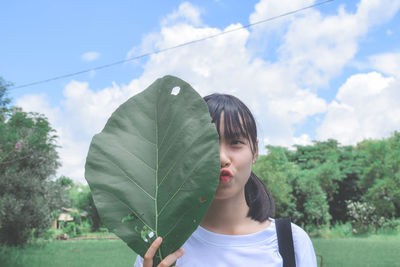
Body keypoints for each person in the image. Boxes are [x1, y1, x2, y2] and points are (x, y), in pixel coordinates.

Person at [134, 93, 317, 267]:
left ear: (255, 151)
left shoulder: (291, 242)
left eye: (236, 142)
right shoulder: (161, 244)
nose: (222, 157)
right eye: (207, 143)